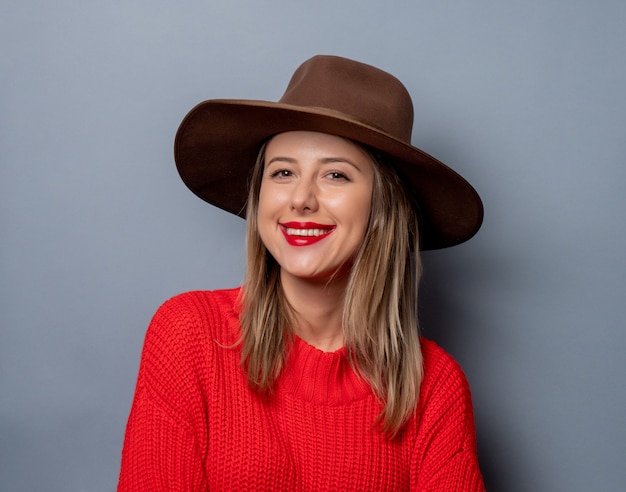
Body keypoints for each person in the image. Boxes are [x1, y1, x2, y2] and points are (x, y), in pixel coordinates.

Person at [118, 55, 485, 491]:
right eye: (283, 172)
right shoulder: (189, 334)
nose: (300, 199)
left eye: (335, 175)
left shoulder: (435, 387)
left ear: (384, 209)